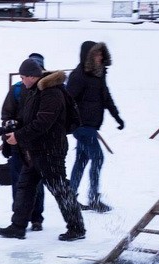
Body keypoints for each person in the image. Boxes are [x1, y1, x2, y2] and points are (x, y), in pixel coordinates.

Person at [0, 58, 86, 242]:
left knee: (60, 189)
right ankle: (18, 226)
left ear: (32, 76)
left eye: (23, 77)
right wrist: (12, 127)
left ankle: (77, 228)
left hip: (51, 151)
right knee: (25, 186)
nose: (21, 81)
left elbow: (43, 123)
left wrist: (19, 136)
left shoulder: (51, 92)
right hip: (35, 149)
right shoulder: (34, 91)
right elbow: (28, 118)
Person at [67, 41, 124, 213]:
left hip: (91, 125)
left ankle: (70, 197)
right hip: (82, 126)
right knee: (98, 158)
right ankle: (93, 198)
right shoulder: (78, 76)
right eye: (96, 54)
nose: (100, 57)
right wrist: (70, 124)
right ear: (88, 56)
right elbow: (68, 100)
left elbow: (106, 98)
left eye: (101, 54)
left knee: (82, 160)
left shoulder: (99, 75)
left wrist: (117, 117)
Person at [0, 52, 46, 232]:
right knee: (18, 181)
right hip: (18, 144)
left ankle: (36, 217)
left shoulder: (48, 91)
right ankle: (19, 218)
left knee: (37, 182)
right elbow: (6, 114)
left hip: (38, 144)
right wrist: (9, 127)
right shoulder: (17, 90)